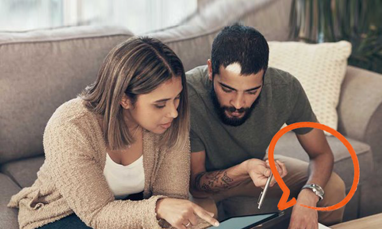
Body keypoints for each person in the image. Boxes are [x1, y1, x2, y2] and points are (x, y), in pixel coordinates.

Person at [8, 37, 219, 229]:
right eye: (160, 104)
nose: (173, 112)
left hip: (132, 210)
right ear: (124, 99)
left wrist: (172, 213)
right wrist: (159, 207)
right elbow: (97, 214)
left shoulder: (169, 121)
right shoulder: (70, 126)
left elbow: (172, 199)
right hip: (66, 215)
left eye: (177, 98)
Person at [186, 24, 346, 229]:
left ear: (264, 76)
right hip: (201, 185)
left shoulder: (285, 88)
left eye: (252, 91)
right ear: (210, 70)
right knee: (197, 219)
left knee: (332, 187)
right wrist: (245, 168)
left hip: (253, 172)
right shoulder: (189, 95)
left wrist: (309, 195)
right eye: (227, 89)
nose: (238, 103)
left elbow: (321, 154)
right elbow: (197, 186)